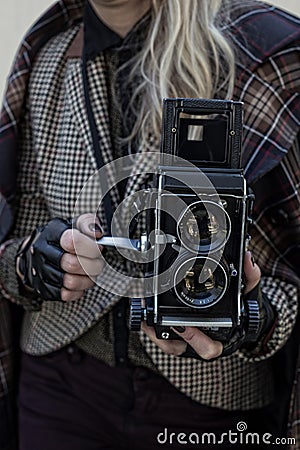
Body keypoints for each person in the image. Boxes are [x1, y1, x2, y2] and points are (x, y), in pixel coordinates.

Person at [0, 0, 299, 449]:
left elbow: (289, 271)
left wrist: (249, 318)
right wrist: (36, 263)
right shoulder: (49, 59)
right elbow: (11, 249)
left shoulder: (255, 56)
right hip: (62, 388)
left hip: (211, 404)